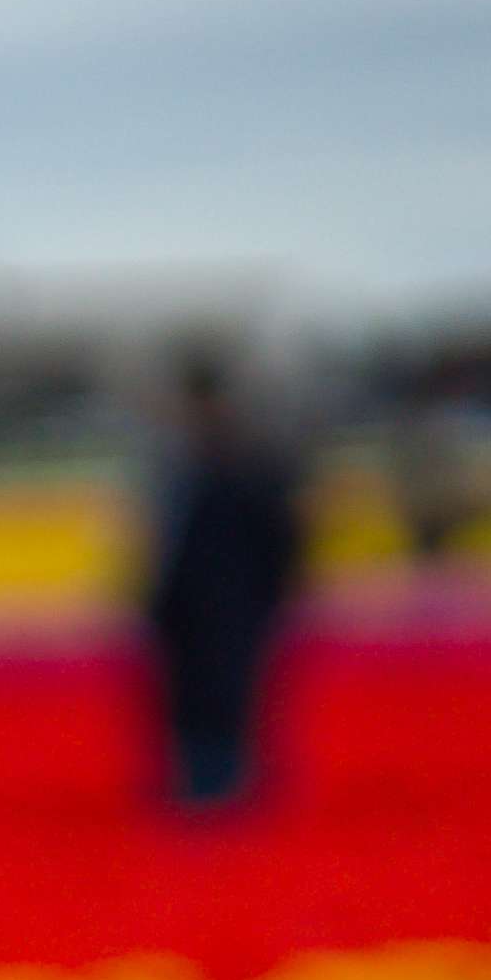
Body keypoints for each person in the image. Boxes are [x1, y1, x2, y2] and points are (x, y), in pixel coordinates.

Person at [130, 340, 306, 813]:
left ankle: (224, 790)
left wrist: (267, 595)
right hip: (184, 613)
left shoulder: (246, 462)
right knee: (186, 702)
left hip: (233, 608)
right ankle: (201, 788)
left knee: (229, 699)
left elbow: (280, 537)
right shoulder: (177, 463)